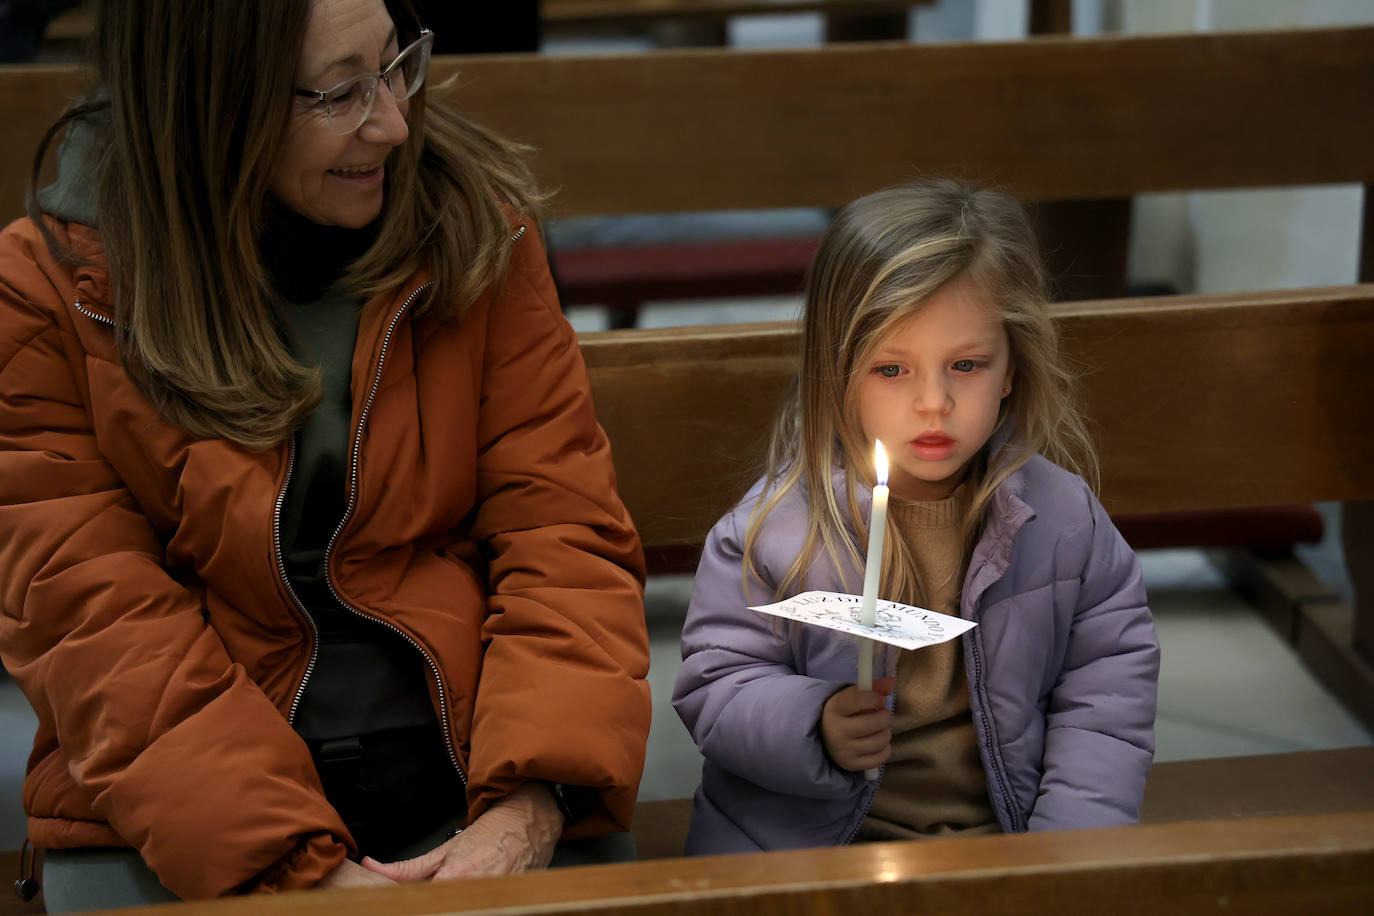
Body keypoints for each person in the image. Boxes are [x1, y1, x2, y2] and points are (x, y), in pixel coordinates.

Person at [0, 0, 650, 906]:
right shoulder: (50, 288)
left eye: (396, 65)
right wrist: (290, 868)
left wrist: (533, 799)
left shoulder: (467, 227)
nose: (391, 121)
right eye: (341, 93)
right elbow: (94, 624)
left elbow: (562, 530)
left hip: (473, 769)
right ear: (211, 104)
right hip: (187, 815)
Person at [672, 178, 1160, 854]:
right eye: (891, 370)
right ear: (835, 369)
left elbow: (1106, 706)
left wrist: (1062, 858)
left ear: (1012, 366)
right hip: (807, 857)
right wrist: (814, 724)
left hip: (1003, 848)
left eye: (966, 364)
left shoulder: (1064, 523)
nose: (934, 402)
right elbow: (716, 687)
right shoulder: (774, 532)